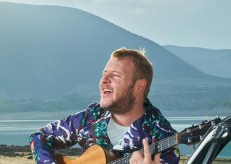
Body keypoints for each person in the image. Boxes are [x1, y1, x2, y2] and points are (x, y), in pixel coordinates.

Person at [29, 47, 180, 164]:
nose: (104, 80)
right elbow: (40, 137)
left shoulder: (162, 138)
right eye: (104, 74)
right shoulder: (92, 116)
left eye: (115, 75)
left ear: (139, 86)